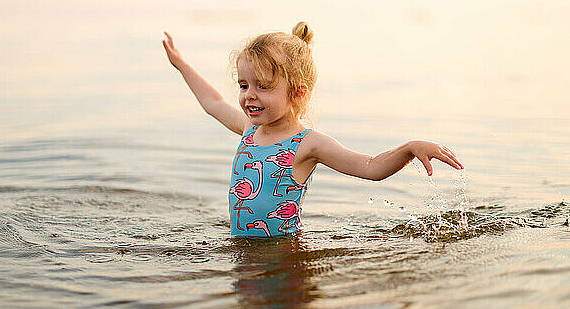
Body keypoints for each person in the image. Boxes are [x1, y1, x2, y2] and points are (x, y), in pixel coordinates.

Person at [162, 22, 463, 237]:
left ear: (297, 93)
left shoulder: (308, 144)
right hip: (244, 253)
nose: (249, 95)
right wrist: (181, 65)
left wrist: (409, 148)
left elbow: (370, 167)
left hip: (286, 257)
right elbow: (212, 102)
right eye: (243, 85)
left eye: (262, 87)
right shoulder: (248, 130)